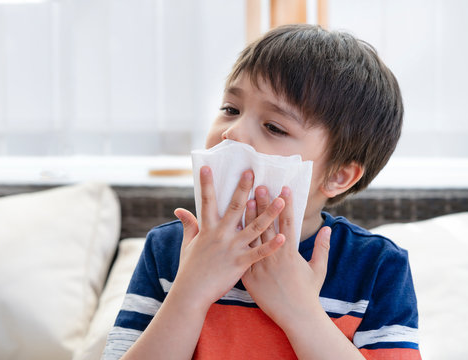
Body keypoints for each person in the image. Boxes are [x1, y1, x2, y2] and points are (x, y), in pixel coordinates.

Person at [103, 24, 420, 359]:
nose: (232, 133)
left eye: (274, 127)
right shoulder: (169, 249)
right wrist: (190, 291)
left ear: (339, 175)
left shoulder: (378, 266)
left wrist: (301, 312)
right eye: (230, 109)